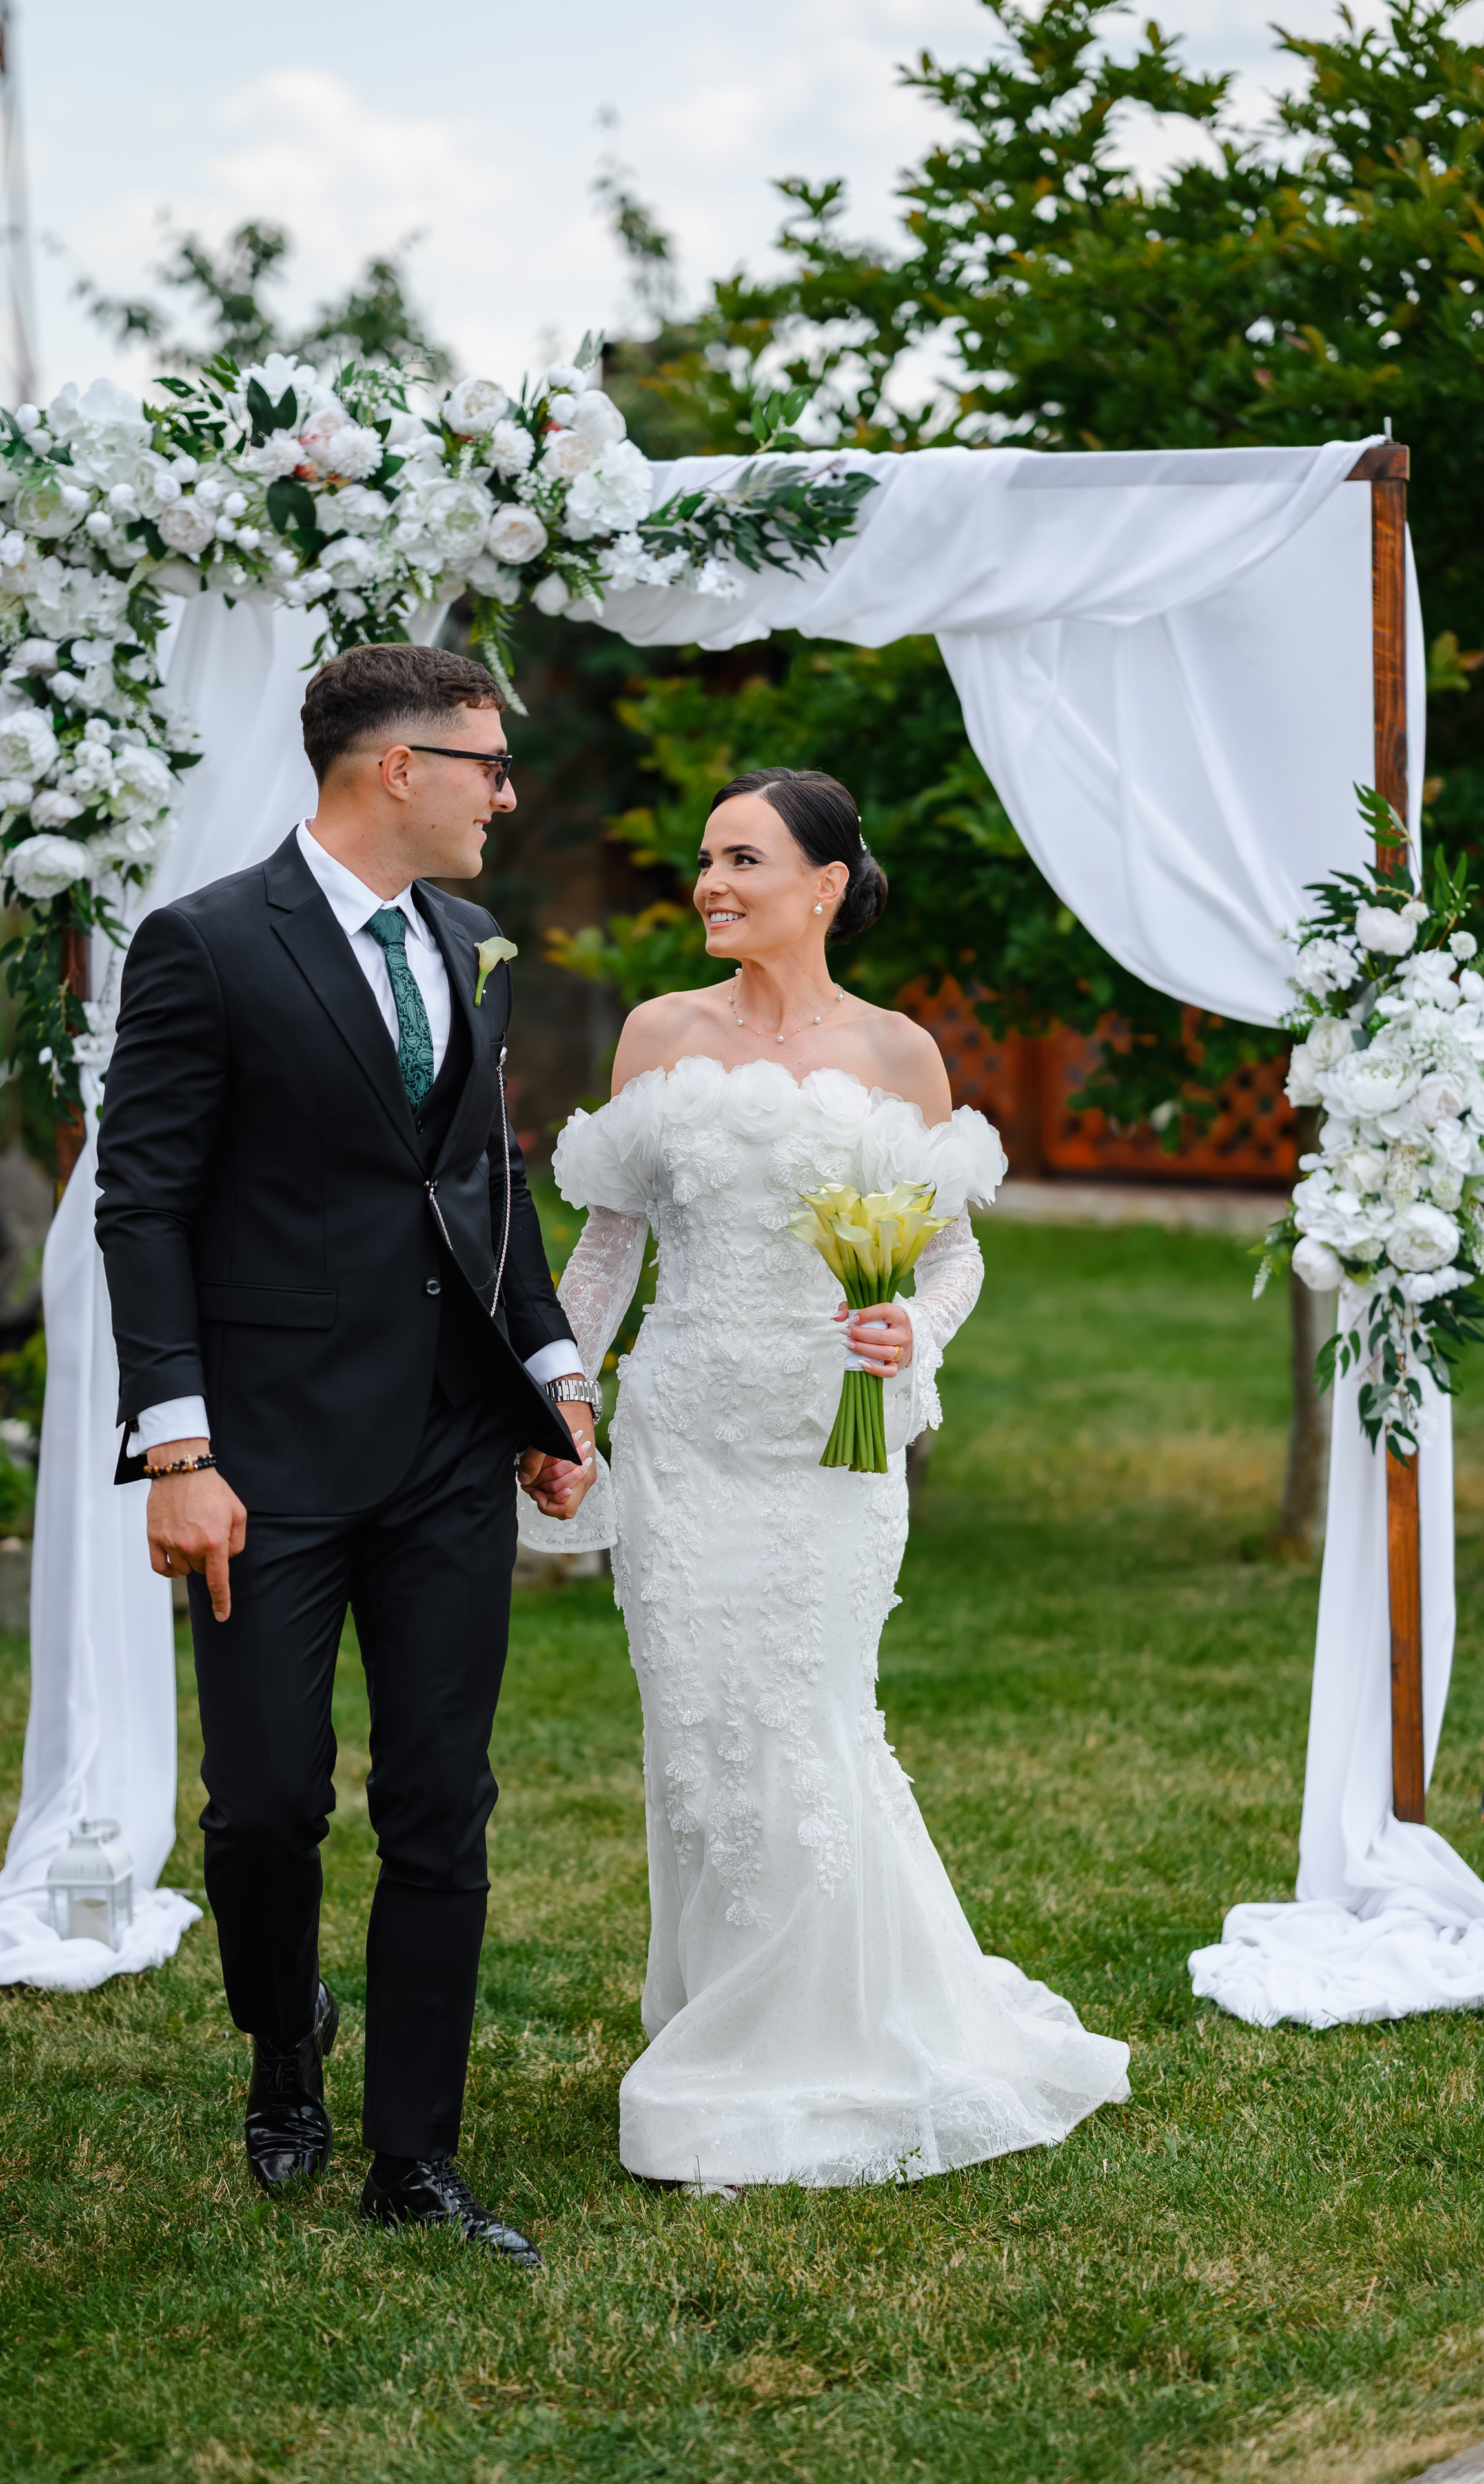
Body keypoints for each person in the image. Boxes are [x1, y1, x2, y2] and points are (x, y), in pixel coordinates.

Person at [527, 766, 1130, 2190]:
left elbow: (951, 1250)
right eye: (702, 860)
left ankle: (841, 2031)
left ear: (824, 885)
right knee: (696, 1736)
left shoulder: (898, 1055)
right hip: (684, 1436)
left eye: (741, 859)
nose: (709, 884)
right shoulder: (655, 1035)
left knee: (806, 1719)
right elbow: (607, 1249)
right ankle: (721, 2012)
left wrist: (909, 1323)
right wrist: (560, 1400)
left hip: (828, 1447)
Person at [96, 642, 598, 2267]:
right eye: (486, 764)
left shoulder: (466, 944)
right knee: (261, 1809)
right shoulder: (206, 946)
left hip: (451, 1444)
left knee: (441, 1801)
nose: (503, 795)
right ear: (396, 767)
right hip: (269, 1459)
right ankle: (279, 2037)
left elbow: (482, 1181)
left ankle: (414, 2155)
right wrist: (180, 1446)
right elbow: (145, 1201)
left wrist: (548, 1372)